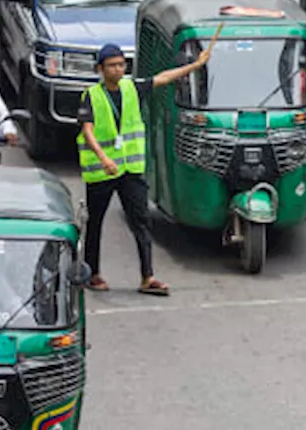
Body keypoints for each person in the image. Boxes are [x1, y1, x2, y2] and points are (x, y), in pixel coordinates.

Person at [77, 42, 211, 295]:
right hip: (102, 172)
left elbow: (163, 78)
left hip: (130, 171)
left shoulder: (132, 88)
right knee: (95, 223)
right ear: (100, 69)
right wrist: (103, 158)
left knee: (141, 222)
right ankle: (92, 273)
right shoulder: (91, 96)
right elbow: (88, 131)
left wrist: (195, 65)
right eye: (112, 66)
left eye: (121, 64)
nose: (118, 70)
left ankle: (147, 277)